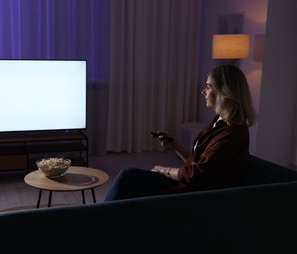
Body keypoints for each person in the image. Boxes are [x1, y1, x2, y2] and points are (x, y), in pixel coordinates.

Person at [104, 64, 257, 201]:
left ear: (224, 92)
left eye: (209, 86)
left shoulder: (233, 133)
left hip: (198, 193)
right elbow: (199, 164)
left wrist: (163, 170)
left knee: (128, 178)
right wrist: (175, 144)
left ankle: (98, 222)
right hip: (192, 184)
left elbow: (195, 175)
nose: (203, 92)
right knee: (129, 178)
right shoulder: (220, 122)